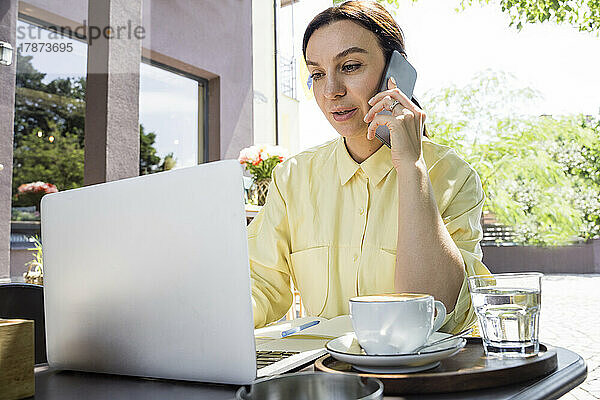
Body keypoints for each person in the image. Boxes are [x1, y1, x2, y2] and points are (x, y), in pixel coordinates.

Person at [248, 0, 490, 333]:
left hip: (422, 378)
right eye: (317, 74)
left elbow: (435, 306)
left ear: (395, 73)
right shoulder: (292, 179)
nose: (331, 91)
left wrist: (410, 166)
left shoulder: (451, 175)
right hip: (329, 377)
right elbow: (259, 286)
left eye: (349, 66)